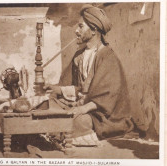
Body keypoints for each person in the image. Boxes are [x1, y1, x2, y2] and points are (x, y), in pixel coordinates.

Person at [44, 4, 134, 146]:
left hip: (103, 116)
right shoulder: (79, 55)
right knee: (46, 106)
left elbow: (104, 99)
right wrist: (57, 89)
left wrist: (80, 109)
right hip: (82, 106)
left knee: (70, 122)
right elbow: (80, 88)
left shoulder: (108, 57)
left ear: (94, 30)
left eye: (80, 26)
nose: (76, 30)